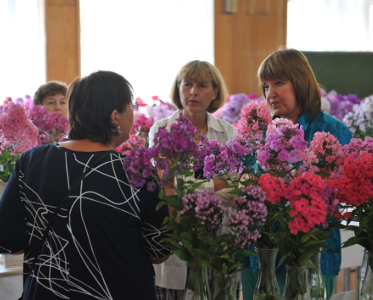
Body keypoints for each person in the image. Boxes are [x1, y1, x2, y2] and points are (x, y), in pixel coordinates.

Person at [0, 71, 172, 300]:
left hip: (48, 293)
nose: (133, 113)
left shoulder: (31, 161)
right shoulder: (136, 171)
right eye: (131, 106)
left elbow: (6, 242)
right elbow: (160, 252)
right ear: (115, 116)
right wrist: (168, 186)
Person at [240, 48, 352, 300]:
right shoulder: (260, 132)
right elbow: (245, 183)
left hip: (312, 258)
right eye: (266, 86)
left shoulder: (331, 130)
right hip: (258, 256)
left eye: (279, 83)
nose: (271, 94)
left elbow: (345, 201)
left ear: (301, 82)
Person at [149, 60, 237, 300]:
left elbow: (234, 189)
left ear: (215, 91)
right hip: (177, 232)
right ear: (178, 89)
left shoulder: (227, 131)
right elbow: (163, 186)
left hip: (218, 232)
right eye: (186, 84)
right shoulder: (162, 129)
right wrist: (213, 184)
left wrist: (185, 186)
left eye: (202, 85)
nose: (193, 91)